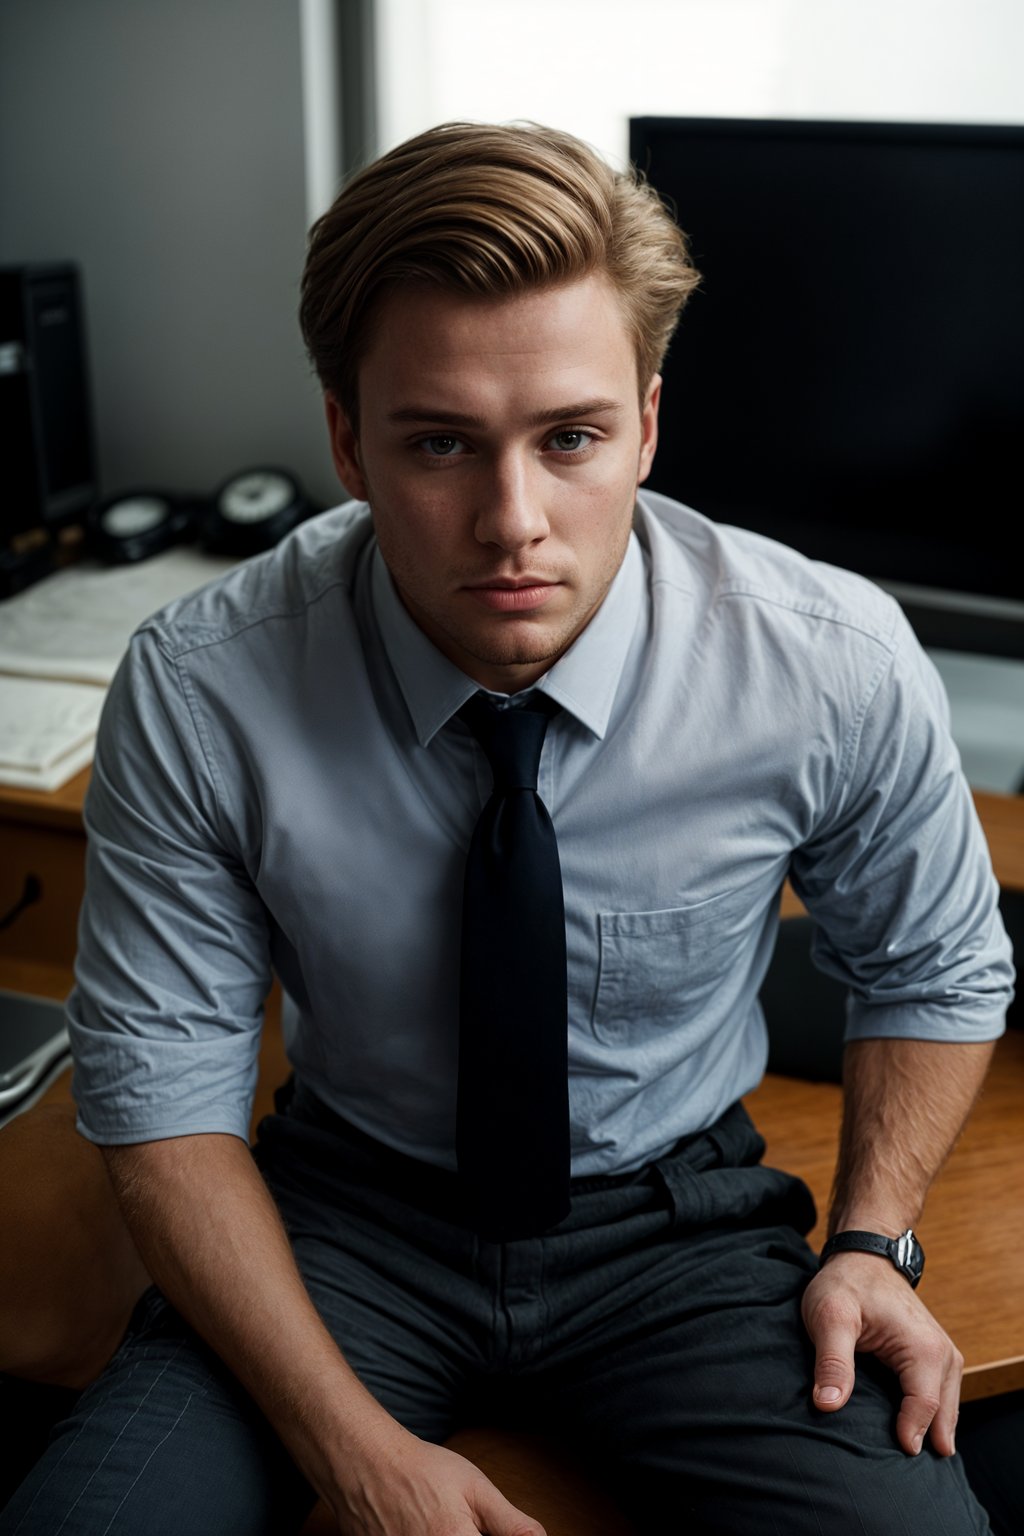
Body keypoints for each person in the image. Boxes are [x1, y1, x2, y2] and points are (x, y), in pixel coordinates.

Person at [1, 121, 1012, 1536]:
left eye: (573, 438)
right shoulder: (202, 683)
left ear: (649, 425)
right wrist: (355, 1454)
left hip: (682, 1234)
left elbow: (937, 965)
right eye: (440, 444)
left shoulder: (829, 660)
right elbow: (163, 1097)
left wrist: (870, 1242)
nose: (512, 521)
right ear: (348, 440)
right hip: (342, 1222)